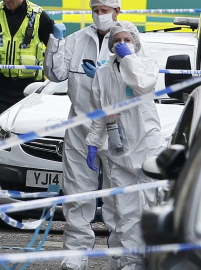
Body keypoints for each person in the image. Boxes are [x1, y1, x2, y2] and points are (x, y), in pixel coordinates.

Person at [43, 0, 126, 269]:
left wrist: (109, 69)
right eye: (96, 10)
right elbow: (55, 75)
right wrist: (55, 44)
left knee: (119, 198)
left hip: (117, 129)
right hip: (81, 128)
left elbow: (138, 83)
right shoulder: (77, 40)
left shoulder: (128, 39)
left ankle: (122, 255)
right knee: (78, 194)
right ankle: (76, 254)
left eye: (105, 10)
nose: (100, 15)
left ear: (117, 11)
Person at [86, 20, 161, 270]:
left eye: (127, 40)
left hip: (146, 148)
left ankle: (158, 259)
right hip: (118, 151)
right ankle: (132, 262)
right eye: (117, 40)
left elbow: (142, 85)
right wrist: (93, 143)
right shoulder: (103, 73)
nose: (121, 44)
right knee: (126, 212)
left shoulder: (147, 66)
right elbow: (99, 111)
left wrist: (129, 58)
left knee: (154, 207)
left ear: (136, 43)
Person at [0, 0, 54, 186]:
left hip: (29, 92)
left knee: (27, 142)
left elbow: (55, 56)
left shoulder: (39, 17)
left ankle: (28, 185)